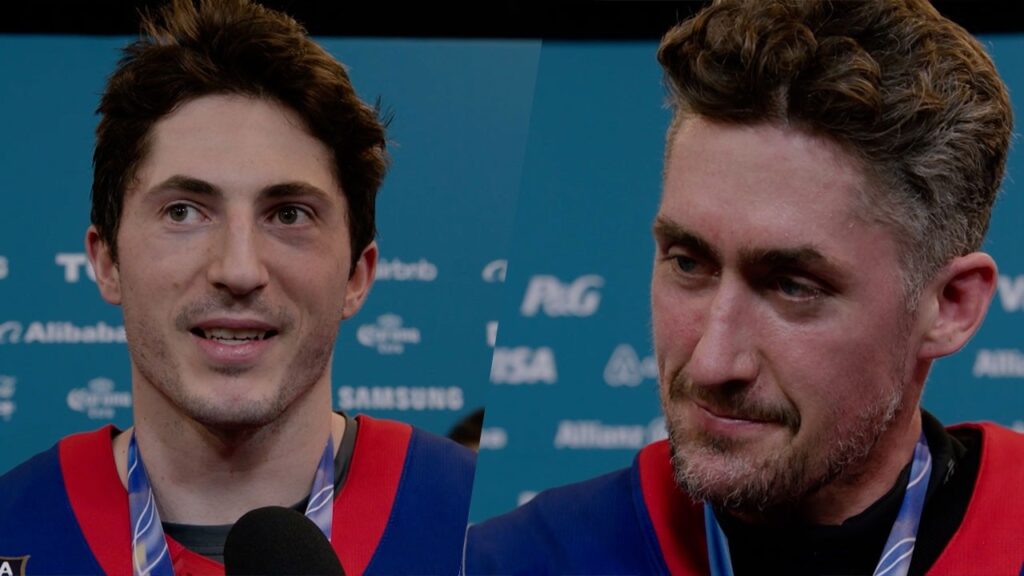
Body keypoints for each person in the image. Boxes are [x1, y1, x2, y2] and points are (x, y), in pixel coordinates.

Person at [466, 0, 1023, 574]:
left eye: (792, 286)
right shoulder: (514, 559)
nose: (712, 363)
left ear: (950, 305)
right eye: (688, 263)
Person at [0, 1, 473, 574]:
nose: (240, 269)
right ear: (107, 263)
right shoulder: (12, 523)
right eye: (183, 211)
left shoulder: (476, 527)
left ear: (357, 275)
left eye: (289, 214)